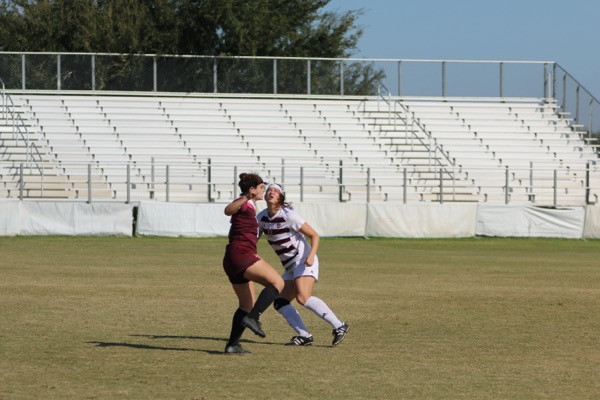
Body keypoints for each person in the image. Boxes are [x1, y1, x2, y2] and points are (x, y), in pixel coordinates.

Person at [257, 183, 349, 347]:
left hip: (303, 260)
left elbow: (314, 235)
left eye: (276, 191)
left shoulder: (288, 215)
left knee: (302, 297)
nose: (271, 192)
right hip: (290, 265)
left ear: (281, 197)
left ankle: (339, 326)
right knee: (280, 302)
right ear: (265, 196)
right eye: (269, 190)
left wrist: (311, 255)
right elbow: (253, 238)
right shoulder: (262, 217)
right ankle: (304, 335)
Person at [222, 173, 285, 355]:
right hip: (241, 255)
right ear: (252, 190)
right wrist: (245, 197)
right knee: (278, 283)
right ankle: (253, 318)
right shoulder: (244, 203)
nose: (263, 191)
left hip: (233, 258)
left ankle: (232, 345)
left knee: (246, 304)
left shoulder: (251, 208)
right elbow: (228, 210)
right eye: (261, 188)